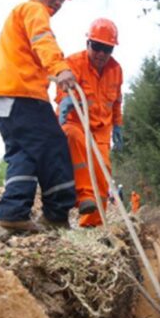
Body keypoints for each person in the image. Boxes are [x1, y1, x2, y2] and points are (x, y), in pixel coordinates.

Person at [0, 0, 78, 231]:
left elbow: (33, 49)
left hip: (3, 97)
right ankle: (56, 215)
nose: (58, 2)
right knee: (55, 146)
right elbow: (43, 40)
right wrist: (60, 68)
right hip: (22, 95)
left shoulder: (19, 15)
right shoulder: (34, 10)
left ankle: (12, 212)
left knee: (24, 153)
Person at [56, 18, 124, 227]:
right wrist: (64, 100)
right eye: (97, 47)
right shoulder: (73, 63)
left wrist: (118, 124)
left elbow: (116, 101)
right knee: (73, 138)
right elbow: (60, 90)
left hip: (101, 129)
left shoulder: (116, 70)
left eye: (107, 49)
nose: (102, 54)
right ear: (88, 44)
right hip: (76, 122)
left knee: (103, 172)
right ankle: (84, 195)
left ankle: (92, 224)